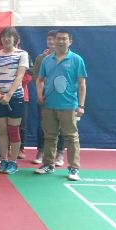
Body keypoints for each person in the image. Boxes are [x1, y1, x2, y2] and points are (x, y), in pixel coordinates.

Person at [35, 29, 87, 181]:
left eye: (64, 39)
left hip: (69, 105)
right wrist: (39, 95)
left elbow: (82, 84)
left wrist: (81, 106)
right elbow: (40, 79)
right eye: (58, 38)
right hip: (49, 104)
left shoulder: (76, 59)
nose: (60, 41)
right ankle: (48, 165)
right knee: (50, 136)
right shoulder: (47, 60)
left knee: (71, 137)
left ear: (70, 41)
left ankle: (74, 168)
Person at [0, 26, 29, 175]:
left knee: (13, 131)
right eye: (4, 36)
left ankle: (13, 162)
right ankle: (4, 160)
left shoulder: (22, 54)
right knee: (1, 131)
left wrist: (9, 95)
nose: (6, 39)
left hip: (15, 97)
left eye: (9, 36)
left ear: (15, 39)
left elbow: (20, 76)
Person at [32, 30, 65, 166]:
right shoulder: (41, 58)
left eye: (54, 39)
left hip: (62, 96)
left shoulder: (66, 57)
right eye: (49, 39)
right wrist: (40, 94)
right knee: (42, 124)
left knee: (61, 124)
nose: (51, 42)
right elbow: (36, 77)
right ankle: (41, 151)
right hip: (45, 95)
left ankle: (60, 153)